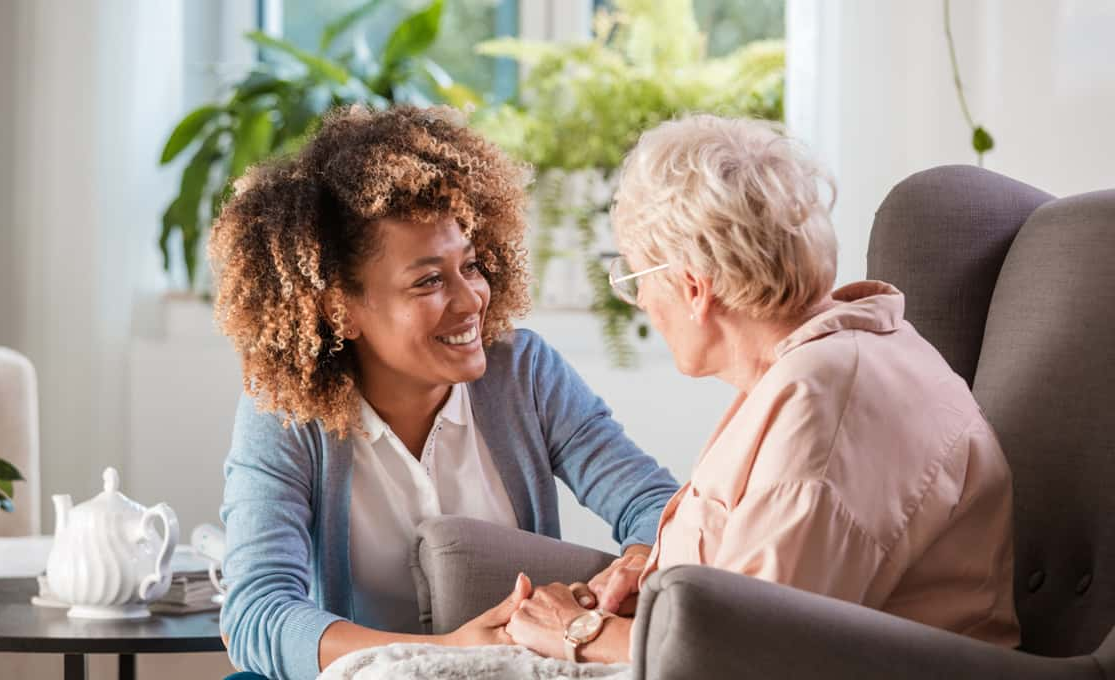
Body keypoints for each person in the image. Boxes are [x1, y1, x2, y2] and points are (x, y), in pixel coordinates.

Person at [504, 114, 1020, 663]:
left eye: (634, 279)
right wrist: (657, 580)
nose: (644, 304)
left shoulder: (823, 403)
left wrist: (579, 631)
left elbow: (751, 652)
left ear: (693, 287)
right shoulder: (832, 359)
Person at [211, 105, 680, 680]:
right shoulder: (287, 415)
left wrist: (633, 567)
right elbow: (259, 613)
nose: (471, 299)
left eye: (473, 265)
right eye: (429, 280)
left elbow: (658, 508)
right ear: (340, 308)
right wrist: (445, 652)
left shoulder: (525, 374)